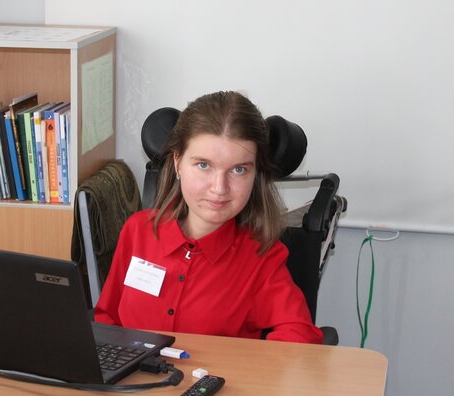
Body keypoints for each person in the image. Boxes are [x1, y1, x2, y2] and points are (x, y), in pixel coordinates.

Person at [94, 91, 323, 344]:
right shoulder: (138, 230)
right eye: (203, 165)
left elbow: (300, 336)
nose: (219, 188)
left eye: (238, 170)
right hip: (133, 370)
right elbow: (107, 319)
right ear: (178, 162)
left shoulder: (261, 257)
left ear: (255, 174)